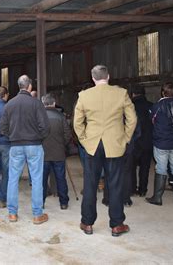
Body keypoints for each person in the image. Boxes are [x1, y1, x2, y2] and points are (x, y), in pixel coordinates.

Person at [73, 65, 137, 237]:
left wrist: (84, 140)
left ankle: (87, 223)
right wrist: (125, 138)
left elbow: (77, 123)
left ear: (93, 78)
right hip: (114, 144)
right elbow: (132, 118)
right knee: (115, 184)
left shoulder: (84, 95)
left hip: (93, 145)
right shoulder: (121, 93)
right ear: (108, 76)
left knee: (90, 184)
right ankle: (117, 225)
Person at [0, 75, 50, 225]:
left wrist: (13, 136)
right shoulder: (36, 103)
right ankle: (37, 214)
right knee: (36, 179)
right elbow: (45, 127)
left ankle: (12, 213)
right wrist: (38, 138)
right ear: (29, 87)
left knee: (13, 179)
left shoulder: (9, 104)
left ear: (19, 86)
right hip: (34, 144)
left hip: (15, 145)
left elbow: (3, 128)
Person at [147, 82, 173, 206]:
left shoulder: (157, 106)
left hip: (161, 143)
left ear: (162, 92)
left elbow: (152, 121)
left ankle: (157, 198)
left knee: (161, 168)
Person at [41, 93, 71, 210]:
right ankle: (63, 202)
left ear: (43, 103)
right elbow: (67, 135)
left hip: (43, 154)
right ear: (54, 103)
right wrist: (62, 144)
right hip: (59, 153)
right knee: (61, 178)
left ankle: (41, 202)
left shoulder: (40, 117)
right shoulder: (61, 117)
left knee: (42, 180)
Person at [131, 85, 153, 197]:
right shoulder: (152, 106)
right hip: (148, 141)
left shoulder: (130, 107)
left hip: (134, 141)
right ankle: (143, 189)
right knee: (145, 166)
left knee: (131, 166)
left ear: (133, 94)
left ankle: (132, 189)